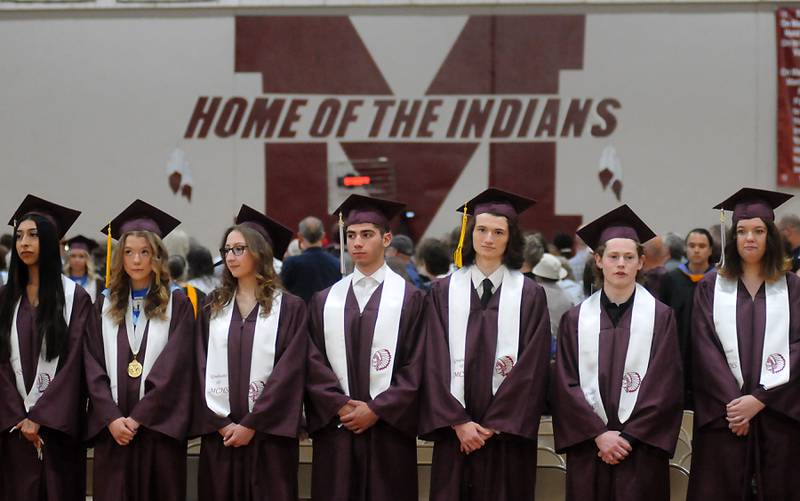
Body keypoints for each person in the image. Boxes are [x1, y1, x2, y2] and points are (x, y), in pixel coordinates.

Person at [420, 188, 551, 501]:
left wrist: (494, 425)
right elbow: (432, 358)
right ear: (470, 233)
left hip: (507, 437)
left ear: (510, 238)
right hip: (456, 435)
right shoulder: (443, 291)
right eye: (481, 229)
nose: (488, 238)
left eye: (498, 231)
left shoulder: (530, 295)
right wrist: (459, 422)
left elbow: (533, 367)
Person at [552, 204, 683, 501]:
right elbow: (565, 384)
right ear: (598, 261)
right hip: (590, 447)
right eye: (613, 257)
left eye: (629, 257)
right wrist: (599, 435)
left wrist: (629, 437)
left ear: (641, 263)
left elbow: (665, 385)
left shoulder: (661, 317)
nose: (621, 263)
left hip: (640, 449)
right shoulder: (575, 319)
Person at [304, 194, 426, 501]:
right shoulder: (324, 300)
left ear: (386, 239)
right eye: (351, 235)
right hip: (338, 426)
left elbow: (418, 363)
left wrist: (377, 409)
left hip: (388, 430)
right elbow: (312, 361)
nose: (357, 242)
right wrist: (339, 405)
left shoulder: (411, 299)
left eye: (367, 235)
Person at [688, 188, 800, 500]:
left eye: (758, 231)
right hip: (724, 416)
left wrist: (761, 399)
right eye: (741, 231)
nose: (749, 238)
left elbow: (798, 348)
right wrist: (736, 407)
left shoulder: (792, 288)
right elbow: (703, 349)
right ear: (732, 238)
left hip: (778, 415)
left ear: (771, 236)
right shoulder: (711, 287)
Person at [83, 200, 195, 501]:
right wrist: (111, 417)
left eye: (144, 252)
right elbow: (91, 364)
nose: (136, 260)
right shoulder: (104, 304)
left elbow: (176, 366)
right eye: (129, 252)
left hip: (159, 429)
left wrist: (138, 418)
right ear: (120, 257)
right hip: (113, 431)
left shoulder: (178, 303)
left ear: (157, 256)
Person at [194, 204, 307, 501]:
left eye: (239, 248)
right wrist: (221, 423)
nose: (230, 256)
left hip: (269, 436)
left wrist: (252, 424)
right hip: (222, 435)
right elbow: (199, 364)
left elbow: (289, 372)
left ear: (259, 252)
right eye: (227, 249)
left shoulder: (290, 307)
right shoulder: (212, 305)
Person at [0, 195, 92, 501]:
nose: (24, 242)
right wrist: (17, 415)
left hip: (57, 432)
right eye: (20, 236)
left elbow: (76, 362)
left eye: (34, 235)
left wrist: (41, 416)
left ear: (51, 241)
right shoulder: (5, 298)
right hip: (12, 429)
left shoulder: (75, 298)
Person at [659, 228, 715, 409]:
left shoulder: (719, 281)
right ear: (685, 249)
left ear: (710, 250)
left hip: (711, 354)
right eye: (692, 245)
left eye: (702, 246)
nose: (697, 250)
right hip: (679, 353)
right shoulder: (671, 279)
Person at [280, 216, 341, 303]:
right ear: (323, 236)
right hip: (326, 314)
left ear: (300, 237)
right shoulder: (336, 263)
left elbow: (282, 291)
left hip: (299, 314)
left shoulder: (291, 263)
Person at [531, 253, 574, 358]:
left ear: (538, 275)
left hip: (536, 349)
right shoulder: (568, 297)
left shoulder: (532, 294)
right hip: (561, 351)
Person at [63, 235, 104, 302]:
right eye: (73, 256)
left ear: (87, 259)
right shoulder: (62, 281)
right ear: (68, 259)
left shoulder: (97, 283)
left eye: (81, 256)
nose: (77, 260)